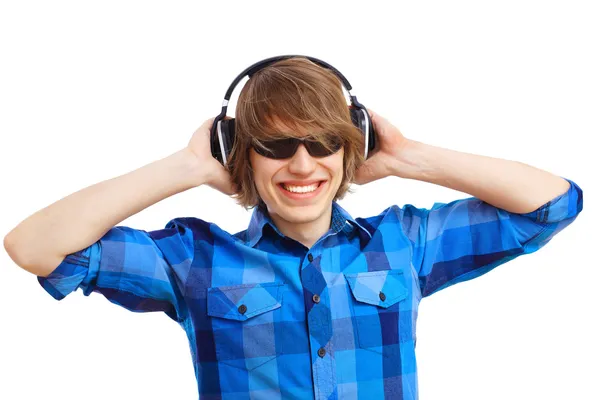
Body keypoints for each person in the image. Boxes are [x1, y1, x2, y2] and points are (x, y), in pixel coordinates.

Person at [3, 56, 583, 400]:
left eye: (324, 143)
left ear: (348, 146)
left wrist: (408, 157)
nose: (303, 165)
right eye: (276, 146)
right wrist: (187, 167)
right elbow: (32, 246)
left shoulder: (403, 244)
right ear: (241, 153)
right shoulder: (194, 260)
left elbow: (553, 204)